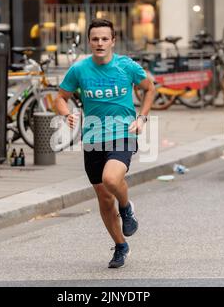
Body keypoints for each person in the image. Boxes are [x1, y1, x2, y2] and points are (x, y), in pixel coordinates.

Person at [54, 19, 155, 268]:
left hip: (122, 133)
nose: (100, 43)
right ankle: (120, 245)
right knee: (103, 198)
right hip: (92, 138)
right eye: (95, 39)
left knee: (112, 180)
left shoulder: (126, 66)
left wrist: (142, 117)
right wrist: (66, 113)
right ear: (90, 41)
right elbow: (60, 97)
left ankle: (127, 206)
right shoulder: (79, 70)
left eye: (104, 39)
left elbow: (150, 89)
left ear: (113, 41)